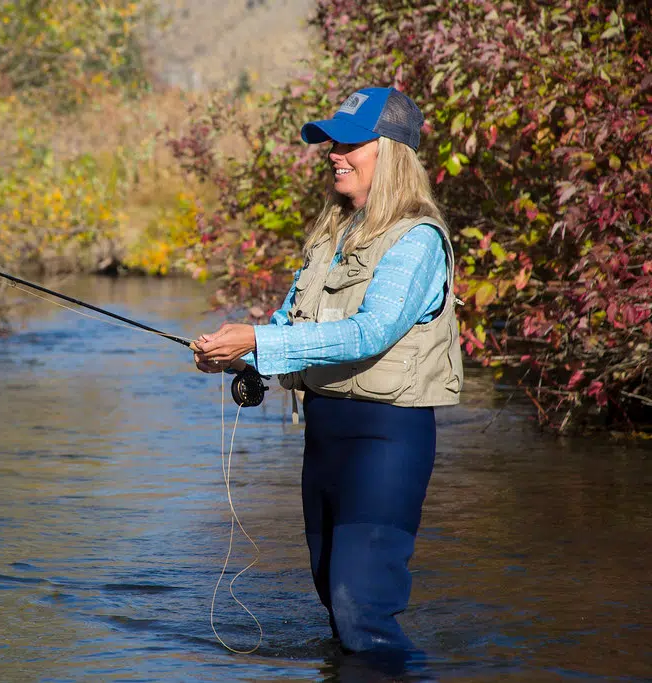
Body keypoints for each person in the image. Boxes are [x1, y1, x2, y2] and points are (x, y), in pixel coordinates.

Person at [193, 87, 463, 657]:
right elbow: (291, 323)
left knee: (361, 606)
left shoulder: (416, 240)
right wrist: (238, 354)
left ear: (390, 152)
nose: (334, 153)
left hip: (388, 438)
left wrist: (261, 341)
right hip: (326, 436)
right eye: (331, 143)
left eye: (350, 143)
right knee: (332, 601)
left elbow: (371, 332)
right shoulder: (330, 236)